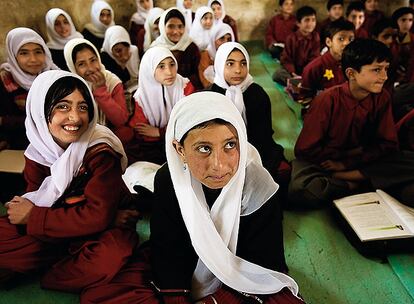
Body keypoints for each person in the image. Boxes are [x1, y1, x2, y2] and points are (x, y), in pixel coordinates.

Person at [80, 91, 305, 304]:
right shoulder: (169, 180)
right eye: (204, 148)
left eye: (230, 145)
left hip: (245, 276)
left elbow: (265, 261)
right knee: (101, 295)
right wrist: (177, 297)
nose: (219, 165)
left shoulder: (259, 186)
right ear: (179, 150)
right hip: (185, 266)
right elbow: (167, 247)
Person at [0, 70, 139, 295]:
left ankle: (46, 267)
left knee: (108, 258)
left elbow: (97, 214)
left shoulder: (100, 151)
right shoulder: (38, 151)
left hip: (106, 226)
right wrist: (34, 216)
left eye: (83, 107)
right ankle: (62, 255)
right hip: (65, 223)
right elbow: (40, 200)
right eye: (63, 106)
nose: (75, 117)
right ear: (41, 111)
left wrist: (33, 217)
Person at [289, 39, 414, 208]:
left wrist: (346, 164)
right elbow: (304, 150)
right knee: (300, 190)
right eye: (377, 70)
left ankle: (349, 178)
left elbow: (387, 144)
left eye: (386, 68)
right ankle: (359, 184)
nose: (384, 76)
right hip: (326, 163)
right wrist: (338, 160)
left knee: (407, 160)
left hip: (362, 162)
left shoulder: (382, 97)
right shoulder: (327, 100)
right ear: (351, 73)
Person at [209, 42, 291, 197]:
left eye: (243, 63)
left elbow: (263, 136)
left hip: (256, 150)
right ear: (219, 65)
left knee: (273, 177)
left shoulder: (257, 94)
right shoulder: (211, 96)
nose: (238, 70)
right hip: (220, 153)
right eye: (230, 64)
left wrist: (247, 160)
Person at [126, 46, 195, 165]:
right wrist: (169, 132)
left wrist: (160, 132)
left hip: (182, 143)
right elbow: (142, 132)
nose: (169, 72)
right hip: (153, 149)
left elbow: (189, 121)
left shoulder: (185, 86)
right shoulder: (140, 98)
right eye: (161, 66)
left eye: (172, 64)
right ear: (150, 69)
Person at [0, 27, 58, 151]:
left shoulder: (55, 77)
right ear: (13, 55)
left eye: (38, 52)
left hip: (56, 146)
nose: (33, 59)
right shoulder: (5, 82)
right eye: (24, 53)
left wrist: (7, 121)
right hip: (18, 149)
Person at [64, 38, 130, 143]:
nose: (90, 68)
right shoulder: (71, 86)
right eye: (82, 64)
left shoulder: (112, 82)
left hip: (110, 131)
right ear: (73, 67)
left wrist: (101, 91)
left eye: (93, 60)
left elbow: (120, 120)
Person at [151, 7, 202, 89]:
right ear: (162, 27)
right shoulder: (155, 49)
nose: (176, 31)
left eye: (180, 26)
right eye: (171, 26)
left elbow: (197, 76)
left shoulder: (191, 48)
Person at [301, 19, 355, 97]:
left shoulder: (355, 65)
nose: (347, 43)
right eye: (341, 39)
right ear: (328, 42)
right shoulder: (314, 68)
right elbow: (304, 97)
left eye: (351, 39)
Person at [273, 6, 319, 86]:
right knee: (278, 73)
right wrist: (293, 73)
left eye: (313, 20)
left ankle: (298, 83)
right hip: (293, 70)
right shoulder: (291, 38)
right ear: (298, 23)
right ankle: (296, 82)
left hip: (308, 70)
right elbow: (286, 59)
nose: (311, 24)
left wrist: (306, 73)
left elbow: (314, 58)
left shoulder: (315, 37)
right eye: (307, 20)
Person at [101, 25, 140, 95]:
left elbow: (137, 75)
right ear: (110, 46)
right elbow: (118, 81)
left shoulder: (133, 50)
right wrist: (123, 65)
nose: (123, 54)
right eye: (118, 50)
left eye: (127, 49)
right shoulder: (105, 57)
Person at [199, 23, 234, 88]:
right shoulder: (205, 55)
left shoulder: (233, 55)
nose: (225, 43)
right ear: (213, 39)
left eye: (229, 39)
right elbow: (205, 81)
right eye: (221, 38)